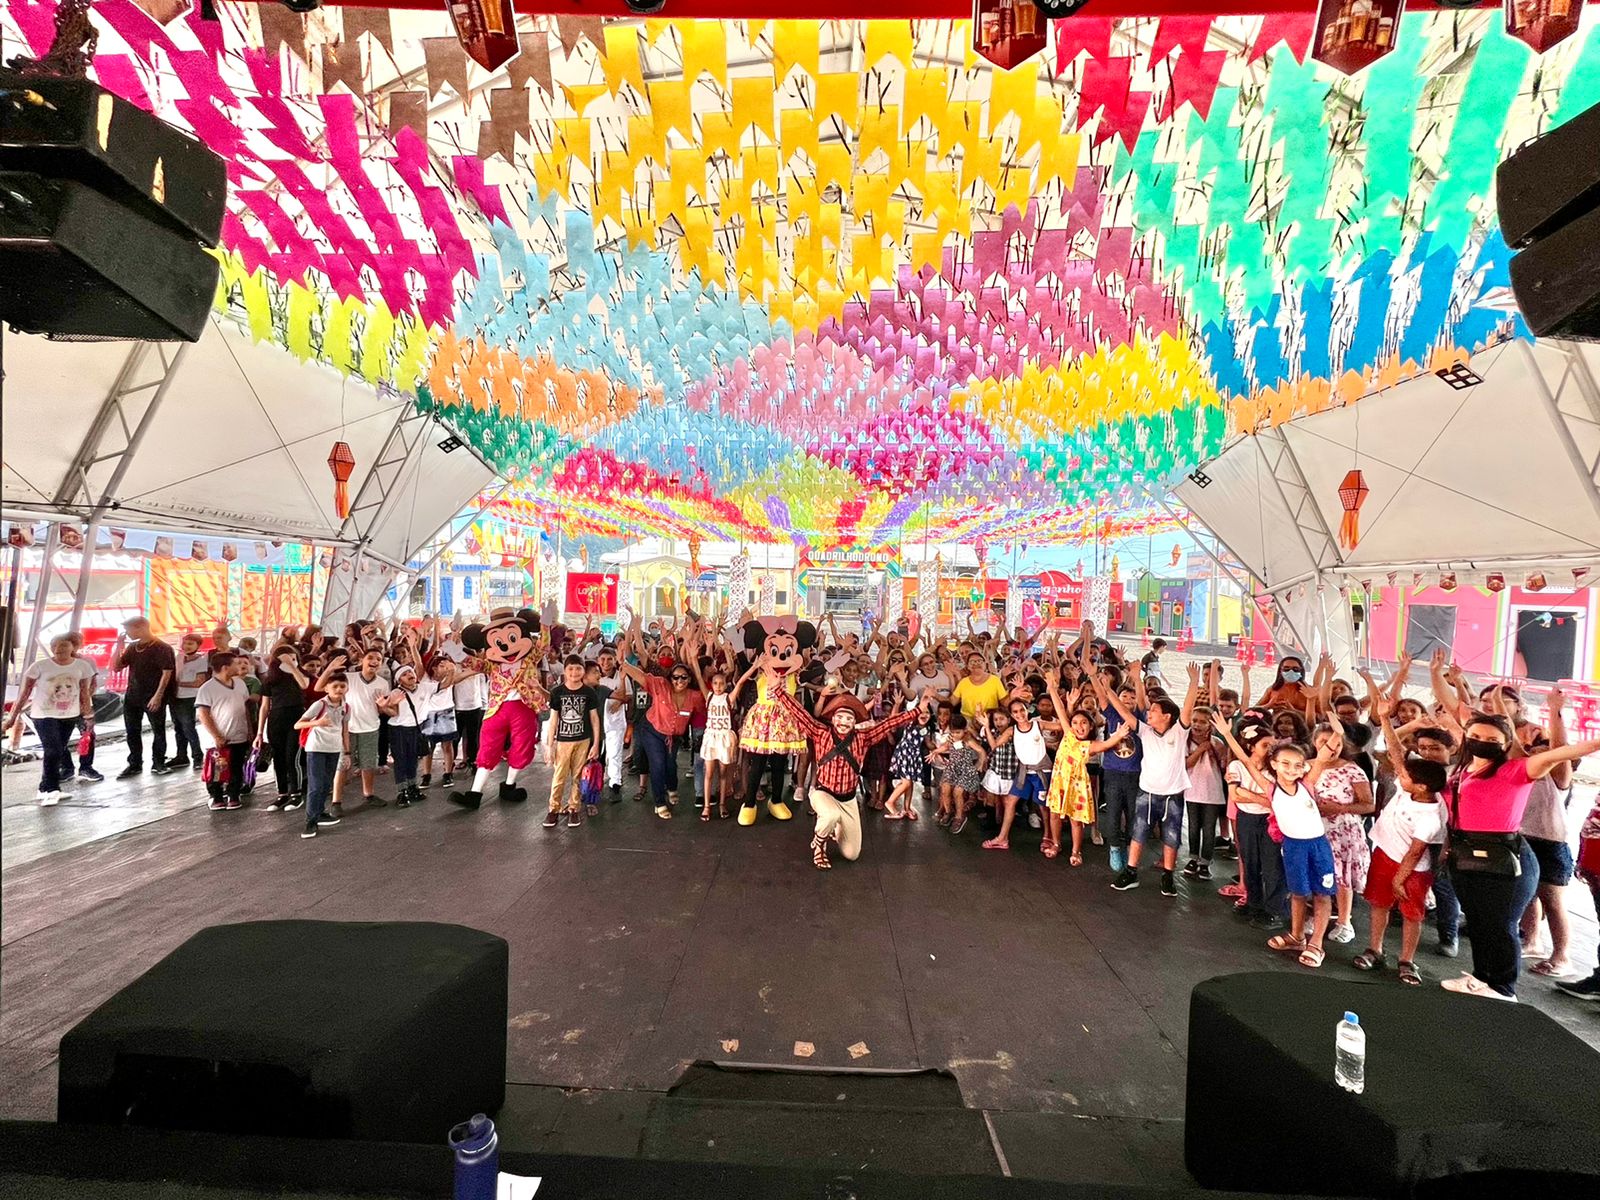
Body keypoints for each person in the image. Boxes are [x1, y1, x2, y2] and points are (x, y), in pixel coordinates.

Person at [1441, 704, 1600, 1000]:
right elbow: (1459, 709)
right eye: (1476, 735)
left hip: (1507, 860)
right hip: (1466, 855)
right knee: (1478, 921)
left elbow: (1560, 753)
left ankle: (1503, 988)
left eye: (1491, 740)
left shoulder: (1518, 769)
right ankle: (1481, 977)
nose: (1482, 742)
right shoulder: (1461, 771)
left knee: (1501, 926)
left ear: (1506, 744)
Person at [771, 678, 933, 869]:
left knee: (851, 854)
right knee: (829, 814)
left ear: (855, 722)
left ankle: (834, 826)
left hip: (848, 800)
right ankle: (819, 844)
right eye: (840, 717)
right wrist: (779, 692)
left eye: (849, 718)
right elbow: (800, 714)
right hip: (823, 793)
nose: (844, 722)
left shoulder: (863, 738)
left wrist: (918, 709)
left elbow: (889, 724)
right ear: (832, 718)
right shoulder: (820, 732)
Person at [1221, 724, 1334, 968]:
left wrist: (1337, 731)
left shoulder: (1307, 783)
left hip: (1316, 846)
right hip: (1292, 846)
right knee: (1297, 892)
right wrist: (1228, 734)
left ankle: (1316, 944)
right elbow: (1246, 761)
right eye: (1284, 763)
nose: (1291, 769)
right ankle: (1296, 936)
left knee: (1322, 894)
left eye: (1297, 765)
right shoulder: (1270, 788)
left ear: (1304, 766)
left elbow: (1324, 756)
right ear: (1274, 764)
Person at [1352, 709, 1449, 986]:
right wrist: (1384, 719)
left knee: (1411, 914)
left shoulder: (1430, 815)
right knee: (1379, 905)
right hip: (1385, 855)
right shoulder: (1413, 787)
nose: (1399, 776)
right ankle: (1375, 949)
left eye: (1405, 777)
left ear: (1419, 786)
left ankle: (1406, 960)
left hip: (1412, 869)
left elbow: (1416, 852)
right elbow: (1396, 752)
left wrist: (1399, 878)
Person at [1105, 663, 1200, 897]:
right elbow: (1123, 711)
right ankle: (1131, 871)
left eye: (1154, 710)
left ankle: (1168, 876)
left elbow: (1187, 708)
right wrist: (1107, 689)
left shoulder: (1179, 732)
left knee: (1171, 836)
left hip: (1172, 795)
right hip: (1146, 792)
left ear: (1167, 716)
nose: (1149, 712)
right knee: (1138, 832)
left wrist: (1193, 682)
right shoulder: (1145, 731)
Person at [1031, 674, 1129, 862]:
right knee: (1054, 815)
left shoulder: (1089, 745)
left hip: (1076, 786)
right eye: (1075, 722)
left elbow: (1107, 744)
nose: (1078, 726)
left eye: (1083, 723)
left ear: (1091, 725)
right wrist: (1051, 688)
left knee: (1075, 820)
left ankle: (1076, 850)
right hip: (1059, 782)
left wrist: (1119, 735)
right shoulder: (1068, 735)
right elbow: (1060, 710)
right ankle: (1056, 843)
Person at [618, 614, 704, 819]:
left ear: (689, 679)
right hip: (652, 730)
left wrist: (694, 660)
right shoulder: (660, 685)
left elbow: (709, 702)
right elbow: (640, 674)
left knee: (670, 764)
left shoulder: (694, 697)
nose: (680, 680)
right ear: (671, 678)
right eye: (676, 677)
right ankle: (659, 802)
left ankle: (672, 788)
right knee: (657, 764)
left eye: (684, 677)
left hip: (674, 736)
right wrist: (624, 662)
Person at [1516, 702, 1577, 979]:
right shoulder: (1525, 771)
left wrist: (1555, 711)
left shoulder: (1559, 779)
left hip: (1552, 843)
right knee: (1529, 895)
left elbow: (1562, 749)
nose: (1539, 753)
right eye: (1536, 749)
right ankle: (1532, 940)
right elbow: (1514, 742)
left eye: (1546, 750)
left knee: (1552, 901)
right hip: (1525, 839)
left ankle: (1562, 957)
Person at [1309, 713, 1374, 945]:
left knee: (1342, 878)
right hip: (1315, 830)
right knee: (1320, 875)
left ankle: (1344, 921)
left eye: (1336, 743)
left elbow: (1368, 804)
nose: (1330, 748)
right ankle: (1319, 915)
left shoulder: (1352, 769)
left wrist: (1340, 807)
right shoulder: (1307, 767)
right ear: (1315, 743)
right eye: (1323, 742)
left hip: (1344, 832)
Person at [9, 634, 95, 805]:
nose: (60, 649)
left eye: (64, 645)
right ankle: (51, 789)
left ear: (73, 648)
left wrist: (87, 715)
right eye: (56, 645)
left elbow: (85, 692)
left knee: (58, 750)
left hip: (69, 715)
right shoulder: (39, 666)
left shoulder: (82, 666)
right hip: (44, 715)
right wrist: (12, 717)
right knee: (53, 750)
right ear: (51, 648)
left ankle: (44, 787)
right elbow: (24, 693)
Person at [325, 649, 390, 811]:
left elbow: (382, 709)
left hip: (371, 728)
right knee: (343, 765)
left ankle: (368, 794)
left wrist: (383, 706)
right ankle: (336, 801)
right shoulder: (349, 677)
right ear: (362, 660)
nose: (374, 661)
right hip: (349, 729)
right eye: (370, 657)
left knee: (368, 764)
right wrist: (330, 668)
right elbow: (322, 687)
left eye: (379, 659)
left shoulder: (383, 683)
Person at [543, 654, 601, 828]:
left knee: (577, 776)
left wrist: (596, 743)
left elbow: (594, 719)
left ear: (583, 671)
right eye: (570, 668)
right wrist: (549, 746)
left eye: (578, 668)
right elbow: (553, 720)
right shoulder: (557, 692)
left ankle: (574, 809)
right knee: (559, 776)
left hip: (583, 740)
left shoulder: (589, 692)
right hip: (563, 741)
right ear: (565, 671)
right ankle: (553, 809)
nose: (574, 672)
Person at [115, 616, 175, 778]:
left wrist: (158, 696)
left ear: (141, 628)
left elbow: (167, 672)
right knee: (132, 730)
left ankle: (158, 762)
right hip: (133, 695)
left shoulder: (162, 648)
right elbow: (116, 667)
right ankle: (134, 763)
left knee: (158, 730)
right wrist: (118, 647)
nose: (127, 634)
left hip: (152, 695)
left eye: (129, 630)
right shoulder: (133, 648)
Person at [256, 642, 310, 811]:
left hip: (296, 717)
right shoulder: (270, 679)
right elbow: (264, 706)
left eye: (294, 658)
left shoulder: (300, 674)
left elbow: (304, 684)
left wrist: (292, 666)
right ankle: (282, 792)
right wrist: (259, 733)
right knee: (278, 757)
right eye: (285, 659)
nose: (290, 661)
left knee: (292, 756)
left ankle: (296, 793)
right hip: (276, 718)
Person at [196, 652, 253, 811]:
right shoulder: (207, 688)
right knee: (217, 769)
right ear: (225, 667)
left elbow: (245, 708)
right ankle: (216, 797)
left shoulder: (240, 684)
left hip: (238, 734)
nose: (239, 666)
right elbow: (203, 714)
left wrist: (249, 729)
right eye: (236, 663)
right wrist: (216, 735)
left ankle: (233, 795)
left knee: (237, 766)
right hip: (218, 739)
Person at [293, 674, 348, 838]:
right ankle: (310, 821)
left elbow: (345, 730)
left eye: (342, 686)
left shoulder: (346, 707)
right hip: (316, 748)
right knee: (316, 785)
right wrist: (317, 723)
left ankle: (320, 812)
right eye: (335, 686)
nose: (339, 689)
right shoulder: (320, 705)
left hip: (334, 749)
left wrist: (347, 752)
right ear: (326, 688)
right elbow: (298, 724)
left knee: (326, 784)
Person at [1183, 703, 1228, 879]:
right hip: (1193, 790)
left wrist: (1217, 752)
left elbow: (1224, 764)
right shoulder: (1186, 741)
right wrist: (1201, 750)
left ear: (1210, 725)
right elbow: (1186, 764)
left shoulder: (1217, 743)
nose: (1197, 725)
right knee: (1194, 826)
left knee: (1209, 828)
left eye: (1203, 722)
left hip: (1212, 791)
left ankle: (1205, 862)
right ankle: (1193, 858)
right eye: (1194, 720)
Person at [933, 714, 985, 833]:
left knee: (958, 792)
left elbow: (981, 751)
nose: (955, 735)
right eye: (953, 732)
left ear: (964, 730)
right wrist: (936, 751)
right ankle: (948, 811)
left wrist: (980, 764)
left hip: (966, 769)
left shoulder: (968, 740)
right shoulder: (951, 738)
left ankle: (959, 816)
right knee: (945, 788)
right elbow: (945, 747)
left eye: (958, 732)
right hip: (952, 768)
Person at [169, 633, 209, 769]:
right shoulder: (179, 658)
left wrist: (179, 683)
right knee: (178, 728)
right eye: (185, 643)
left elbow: (199, 682)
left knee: (188, 726)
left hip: (189, 697)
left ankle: (197, 756)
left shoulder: (201, 661)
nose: (186, 646)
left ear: (198, 646)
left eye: (191, 644)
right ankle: (181, 756)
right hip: (175, 697)